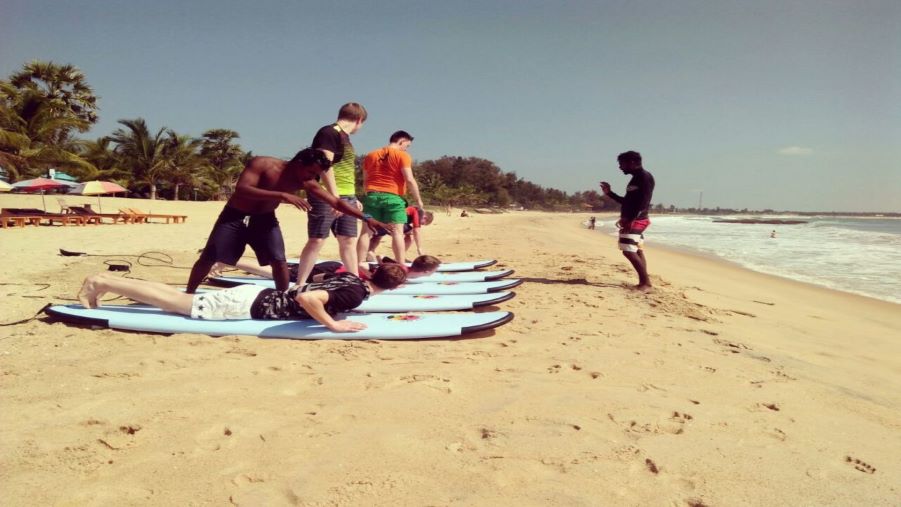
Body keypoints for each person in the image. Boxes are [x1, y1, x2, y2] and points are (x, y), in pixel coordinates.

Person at [185, 148, 389, 294]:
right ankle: (189, 293)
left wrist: (367, 218)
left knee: (279, 260)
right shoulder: (263, 164)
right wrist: (282, 195)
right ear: (299, 163)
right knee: (209, 257)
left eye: (316, 175)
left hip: (264, 219)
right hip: (235, 215)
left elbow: (335, 201)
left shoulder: (307, 181)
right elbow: (242, 189)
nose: (312, 178)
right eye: (311, 172)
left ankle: (282, 296)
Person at [79, 264, 408, 333]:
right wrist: (334, 325)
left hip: (258, 297)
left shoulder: (352, 277)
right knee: (175, 304)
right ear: (392, 288)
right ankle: (102, 281)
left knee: (177, 300)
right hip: (251, 306)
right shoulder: (355, 291)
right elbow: (311, 300)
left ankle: (109, 282)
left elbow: (314, 282)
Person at [295, 103, 368, 292]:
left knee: (348, 240)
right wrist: (334, 198)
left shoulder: (346, 138)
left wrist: (352, 197)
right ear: (359, 120)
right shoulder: (329, 132)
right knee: (317, 239)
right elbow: (325, 166)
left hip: (346, 195)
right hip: (326, 195)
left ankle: (353, 282)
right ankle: (300, 283)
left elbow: (344, 170)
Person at [355, 130, 424, 272]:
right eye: (407, 145)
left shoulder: (370, 155)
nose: (406, 148)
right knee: (397, 233)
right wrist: (418, 200)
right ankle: (400, 267)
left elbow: (366, 179)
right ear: (401, 141)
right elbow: (409, 179)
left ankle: (359, 264)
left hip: (372, 197)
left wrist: (369, 194)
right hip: (393, 198)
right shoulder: (402, 155)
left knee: (365, 232)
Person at [600, 150, 656, 291]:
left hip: (637, 219)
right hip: (636, 218)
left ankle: (646, 283)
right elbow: (627, 202)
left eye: (621, 164)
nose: (620, 167)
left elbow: (644, 201)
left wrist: (632, 219)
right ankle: (643, 282)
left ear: (631, 162)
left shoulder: (644, 177)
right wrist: (610, 193)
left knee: (628, 251)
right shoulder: (636, 178)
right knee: (636, 250)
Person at [213, 254, 442, 284]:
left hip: (333, 269)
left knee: (280, 266)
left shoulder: (403, 269)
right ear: (425, 271)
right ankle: (225, 259)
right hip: (333, 270)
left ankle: (227, 260)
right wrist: (369, 275)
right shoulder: (400, 269)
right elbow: (363, 263)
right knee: (274, 271)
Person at [367, 207, 434, 261]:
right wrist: (419, 248)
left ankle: (370, 251)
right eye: (422, 223)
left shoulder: (406, 208)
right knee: (411, 235)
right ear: (425, 217)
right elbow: (416, 231)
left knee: (377, 236)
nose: (421, 224)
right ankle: (399, 256)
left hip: (382, 220)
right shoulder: (417, 211)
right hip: (395, 223)